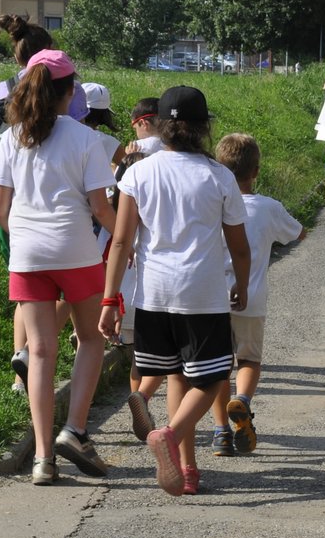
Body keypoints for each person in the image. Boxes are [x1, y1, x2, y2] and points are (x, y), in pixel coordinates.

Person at [100, 86, 250, 497]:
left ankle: (187, 469)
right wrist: (242, 281)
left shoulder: (138, 173)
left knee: (175, 376)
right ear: (203, 128)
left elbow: (121, 242)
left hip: (153, 295)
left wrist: (111, 299)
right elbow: (238, 244)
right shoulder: (219, 176)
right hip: (201, 294)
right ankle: (171, 434)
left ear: (161, 126)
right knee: (215, 374)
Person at [0, 50, 116, 485]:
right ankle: (75, 430)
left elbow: (0, 207)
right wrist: (129, 238)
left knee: (39, 352)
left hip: (27, 254)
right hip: (75, 249)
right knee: (90, 339)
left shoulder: (11, 137)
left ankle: (43, 458)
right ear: (69, 93)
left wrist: (24, 240)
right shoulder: (85, 139)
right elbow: (100, 208)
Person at [0, 16, 87, 393]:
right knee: (71, 295)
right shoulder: (74, 96)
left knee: (28, 297)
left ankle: (19, 376)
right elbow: (76, 142)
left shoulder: (0, 91)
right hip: (65, 219)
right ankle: (34, 359)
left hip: (16, 218)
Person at [207, 132, 304, 457]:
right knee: (248, 359)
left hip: (212, 298)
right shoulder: (267, 207)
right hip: (252, 296)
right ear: (256, 171)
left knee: (219, 367)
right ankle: (243, 401)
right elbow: (298, 233)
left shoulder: (211, 206)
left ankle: (221, 432)